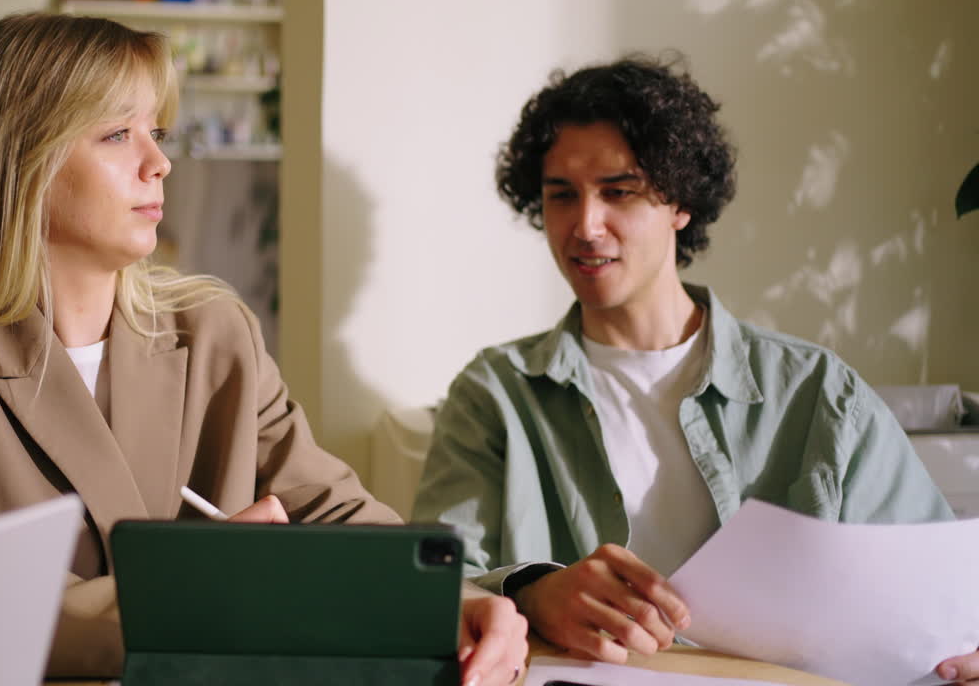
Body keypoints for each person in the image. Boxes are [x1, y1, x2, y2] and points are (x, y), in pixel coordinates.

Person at [0, 13, 527, 682]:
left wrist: (454, 602)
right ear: (22, 161)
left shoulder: (217, 336)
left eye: (155, 131)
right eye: (117, 135)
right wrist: (191, 592)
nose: (159, 162)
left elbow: (338, 516)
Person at [411, 53, 979, 683]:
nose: (585, 225)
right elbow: (433, 581)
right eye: (561, 196)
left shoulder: (819, 395)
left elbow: (938, 595)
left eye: (618, 192)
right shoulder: (495, 395)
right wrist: (533, 593)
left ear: (680, 203)